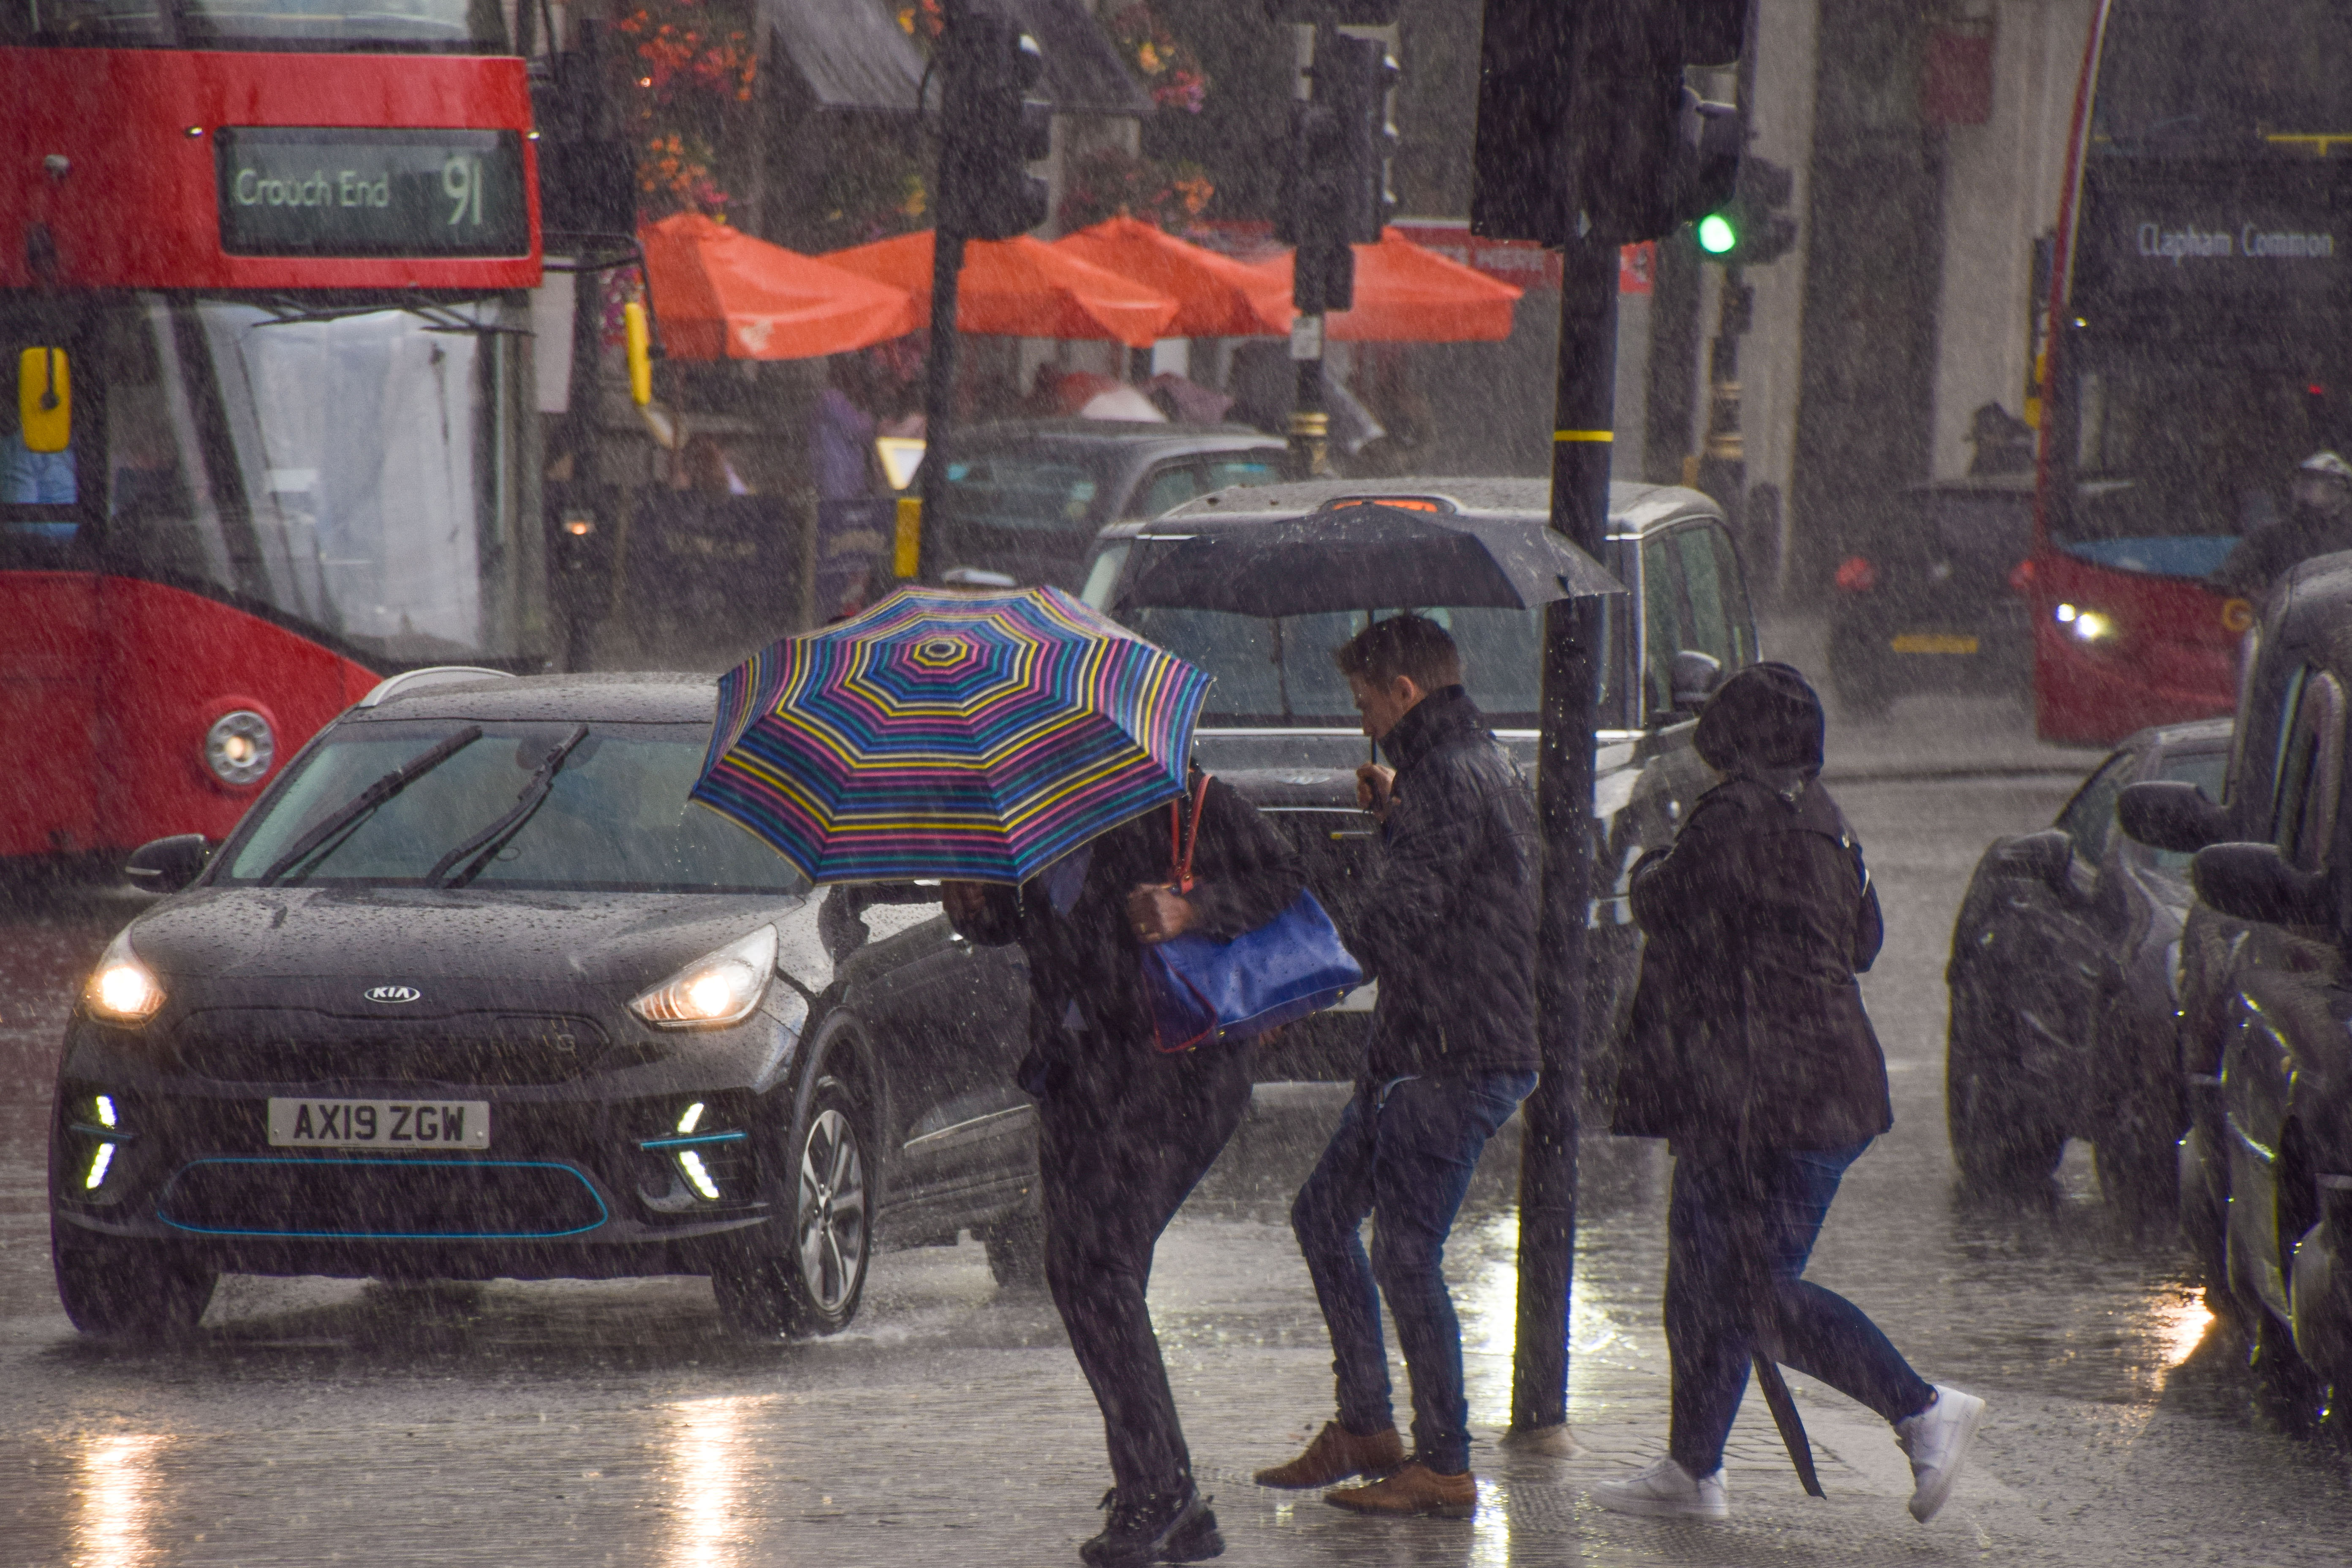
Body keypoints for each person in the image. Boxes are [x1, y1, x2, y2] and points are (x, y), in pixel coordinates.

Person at [1592, 662, 1985, 1524]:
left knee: (1745, 1289)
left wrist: (1657, 857)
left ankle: (1921, 1408)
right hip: (1798, 1089)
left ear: (1728, 738)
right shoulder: (1826, 820)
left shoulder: (1730, 816)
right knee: (1700, 1283)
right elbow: (1867, 939)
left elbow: (1658, 897)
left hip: (1769, 1098)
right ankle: (1691, 1469)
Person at [942, 772, 1305, 1568]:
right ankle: (1161, 1488)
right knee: (1074, 1270)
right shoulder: (1019, 806)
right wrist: (974, 903)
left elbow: (1284, 875)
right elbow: (1031, 924)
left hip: (1175, 1068)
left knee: (1101, 1263)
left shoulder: (1174, 792)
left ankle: (1162, 1490)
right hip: (1075, 1070)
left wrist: (1191, 909)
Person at [1253, 614, 1538, 1520]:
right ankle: (1368, 1427)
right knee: (1323, 1214)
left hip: (1456, 1050)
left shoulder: (1450, 776)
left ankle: (1444, 1463)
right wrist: (1398, 812)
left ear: (1404, 692)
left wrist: (1287, 996)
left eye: (1366, 698)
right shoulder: (1471, 763)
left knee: (1405, 1251)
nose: (1364, 715)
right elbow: (1458, 881)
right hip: (1426, 1044)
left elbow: (1398, 916)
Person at [2206, 449, 2352, 599]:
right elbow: (2223, 578)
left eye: (2315, 480)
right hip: (2289, 618)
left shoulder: (2347, 534)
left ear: (2343, 490)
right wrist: (2259, 595)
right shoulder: (2274, 535)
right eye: (2303, 480)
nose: (2305, 486)